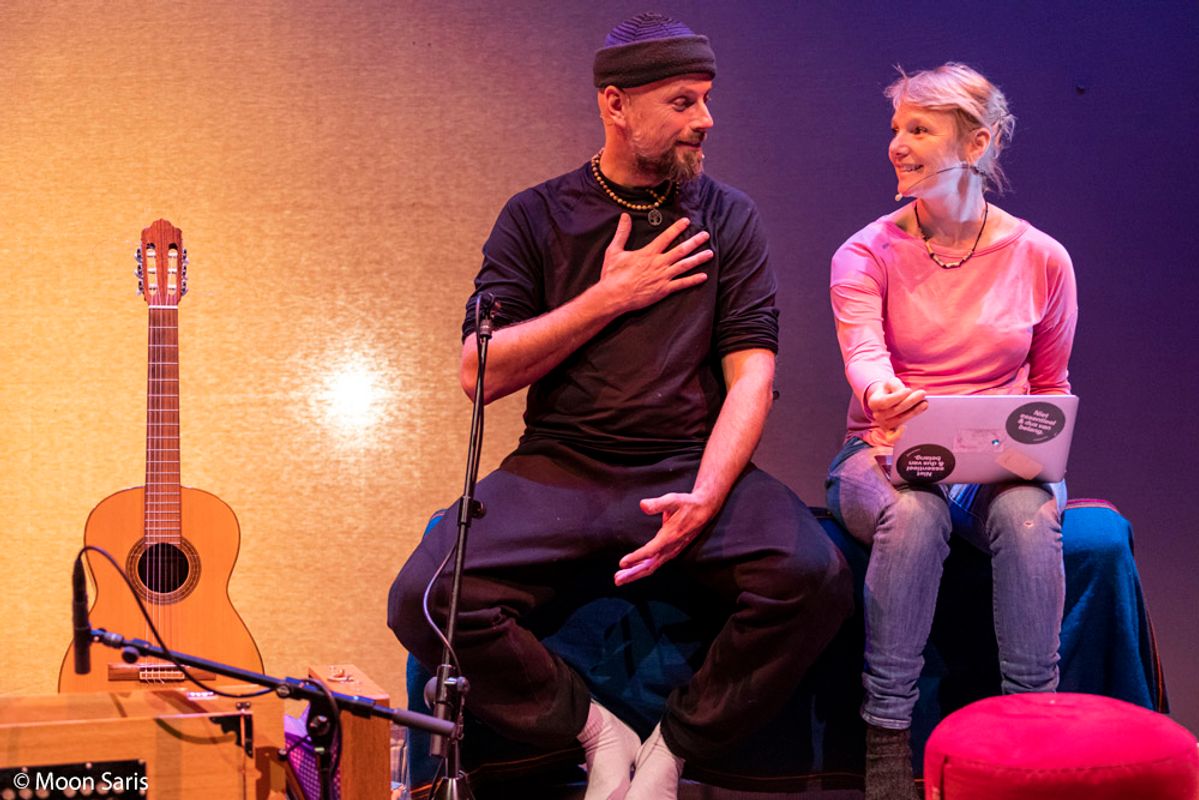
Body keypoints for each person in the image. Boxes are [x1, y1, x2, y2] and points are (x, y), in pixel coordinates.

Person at [388, 12, 852, 800]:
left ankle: (675, 745)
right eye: (681, 101)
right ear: (615, 104)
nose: (705, 119)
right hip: (559, 466)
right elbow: (479, 372)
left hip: (684, 462)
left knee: (813, 576)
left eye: (705, 98)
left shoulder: (727, 216)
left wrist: (707, 494)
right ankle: (596, 731)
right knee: (423, 600)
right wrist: (608, 297)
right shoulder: (536, 215)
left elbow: (751, 375)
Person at [825, 63, 1077, 800]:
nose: (896, 145)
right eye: (895, 128)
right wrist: (882, 395)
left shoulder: (1041, 257)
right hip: (881, 453)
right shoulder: (864, 252)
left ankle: (1031, 731)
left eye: (918, 129)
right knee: (914, 510)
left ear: (977, 143)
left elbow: (1050, 385)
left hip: (995, 460)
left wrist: (1040, 454)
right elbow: (864, 356)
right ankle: (885, 737)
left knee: (1028, 515)